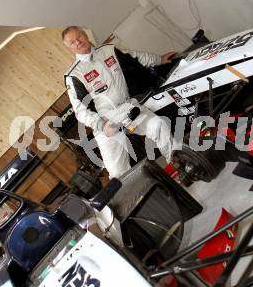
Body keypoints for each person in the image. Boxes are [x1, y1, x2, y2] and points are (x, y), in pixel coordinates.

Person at [62, 26, 175, 179]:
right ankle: (136, 199)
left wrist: (159, 59)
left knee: (158, 125)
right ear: (69, 47)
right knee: (117, 173)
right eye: (72, 42)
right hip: (106, 122)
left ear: (85, 35)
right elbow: (80, 111)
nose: (78, 42)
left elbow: (135, 57)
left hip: (128, 107)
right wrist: (101, 125)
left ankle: (178, 166)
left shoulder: (109, 50)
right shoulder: (73, 75)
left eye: (79, 36)